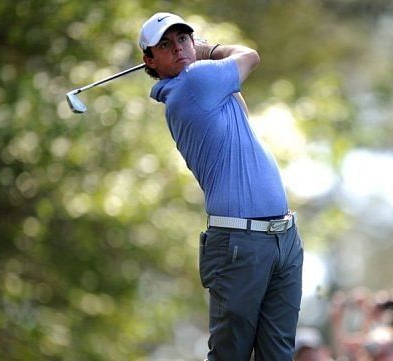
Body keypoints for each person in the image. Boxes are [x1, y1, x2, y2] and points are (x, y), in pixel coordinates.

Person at [139, 12, 304, 361]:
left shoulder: (204, 86)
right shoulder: (194, 82)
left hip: (282, 238)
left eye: (183, 39)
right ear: (150, 61)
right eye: (165, 45)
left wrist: (195, 52)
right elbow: (249, 56)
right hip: (240, 244)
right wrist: (208, 48)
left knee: (280, 355)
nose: (179, 48)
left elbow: (240, 104)